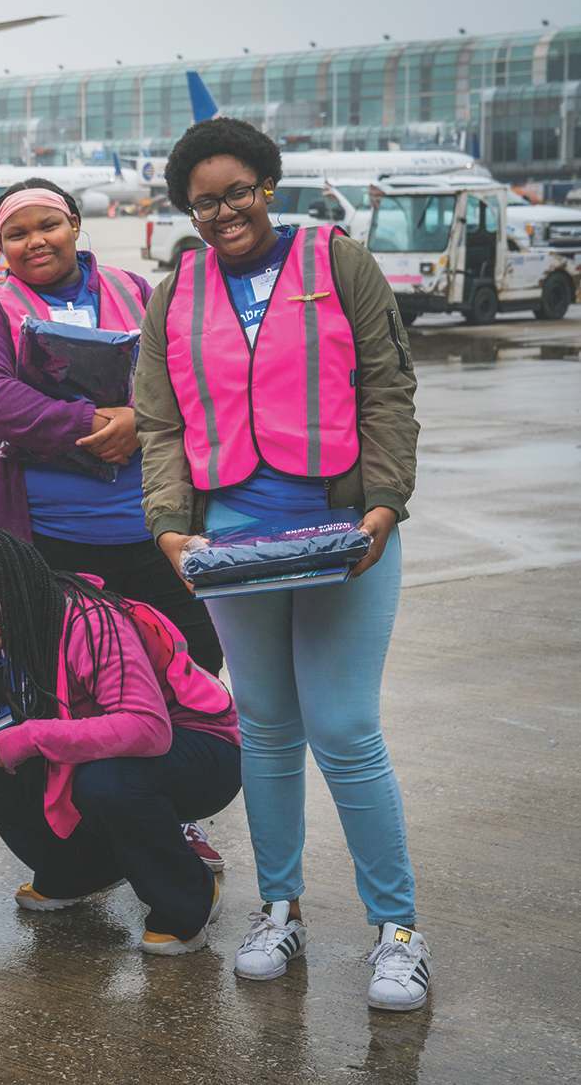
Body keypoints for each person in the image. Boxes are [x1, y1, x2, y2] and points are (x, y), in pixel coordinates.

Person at [135, 116, 428, 1010]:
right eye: (202, 202)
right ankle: (279, 909)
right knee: (265, 727)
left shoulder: (336, 261)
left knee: (343, 728)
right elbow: (159, 422)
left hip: (344, 528)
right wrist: (173, 528)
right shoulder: (175, 291)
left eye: (237, 192)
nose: (223, 213)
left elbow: (387, 385)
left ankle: (398, 931)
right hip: (233, 539)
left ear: (269, 184)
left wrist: (383, 504)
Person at [0, 176, 227, 869]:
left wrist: (141, 421)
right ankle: (88, 822)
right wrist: (86, 424)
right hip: (50, 543)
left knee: (186, 659)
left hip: (152, 532)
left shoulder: (137, 292)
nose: (35, 241)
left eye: (48, 225)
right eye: (17, 233)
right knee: (69, 684)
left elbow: (196, 376)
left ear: (75, 225)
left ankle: (169, 813)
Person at [0, 531, 242, 955]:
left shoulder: (88, 624)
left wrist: (30, 736)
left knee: (105, 781)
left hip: (202, 748)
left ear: (26, 588)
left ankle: (189, 899)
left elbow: (147, 728)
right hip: (127, 751)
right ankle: (78, 872)